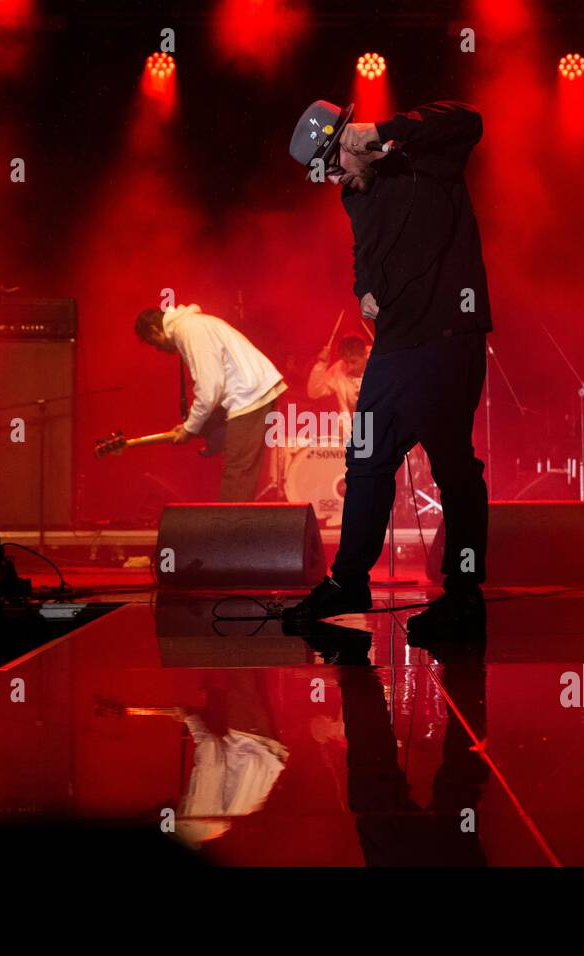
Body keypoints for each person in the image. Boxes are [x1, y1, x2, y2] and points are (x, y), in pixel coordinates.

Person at [284, 100, 492, 635]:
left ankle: (464, 594)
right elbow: (363, 253)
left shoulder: (424, 160)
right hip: (394, 349)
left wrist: (381, 130)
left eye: (333, 164)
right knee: (366, 458)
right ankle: (348, 579)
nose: (332, 178)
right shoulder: (355, 194)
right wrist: (365, 289)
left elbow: (467, 120)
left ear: (350, 142)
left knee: (452, 464)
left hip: (446, 335)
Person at [135, 303, 287, 502]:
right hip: (250, 395)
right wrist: (193, 427)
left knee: (237, 473)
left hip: (249, 397)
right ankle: (217, 440)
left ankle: (230, 530)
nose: (158, 349)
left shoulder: (188, 330)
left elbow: (210, 388)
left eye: (154, 342)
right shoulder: (194, 325)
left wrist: (190, 428)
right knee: (235, 463)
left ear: (155, 329)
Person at [306, 333, 369, 436]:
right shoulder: (339, 369)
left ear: (365, 355)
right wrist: (321, 365)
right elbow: (314, 392)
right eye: (346, 362)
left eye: (354, 362)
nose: (349, 367)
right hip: (348, 434)